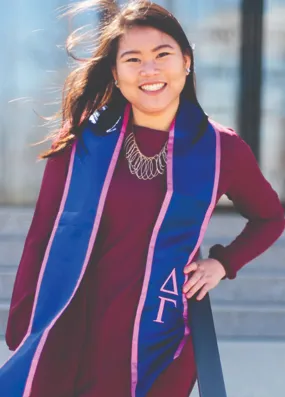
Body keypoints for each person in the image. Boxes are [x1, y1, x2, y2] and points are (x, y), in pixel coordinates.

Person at [1, 1, 285, 396]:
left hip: (162, 338)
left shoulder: (221, 150)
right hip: (74, 330)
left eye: (162, 55)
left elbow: (271, 217)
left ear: (186, 61)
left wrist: (223, 263)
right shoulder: (82, 140)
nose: (149, 70)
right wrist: (23, 325)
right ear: (116, 75)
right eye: (132, 59)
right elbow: (42, 232)